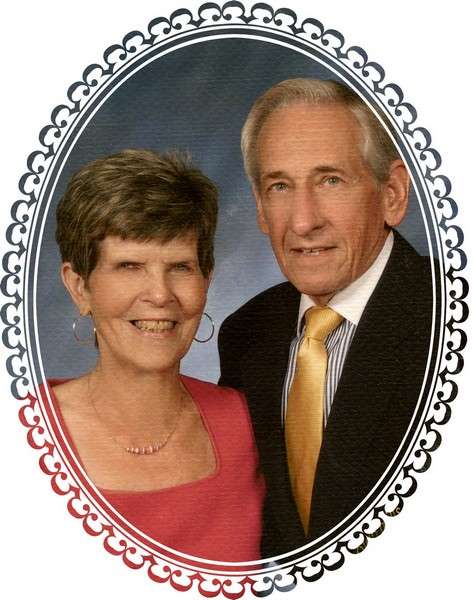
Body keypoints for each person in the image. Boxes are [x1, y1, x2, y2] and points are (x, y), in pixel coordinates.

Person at [218, 79, 437, 557]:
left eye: (330, 180)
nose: (303, 222)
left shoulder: (451, 321)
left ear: (393, 194)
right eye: (280, 186)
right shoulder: (247, 333)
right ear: (259, 207)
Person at [42, 149, 264, 561]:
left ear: (206, 281)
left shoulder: (248, 423)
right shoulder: (25, 434)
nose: (160, 295)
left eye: (180, 267)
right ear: (79, 287)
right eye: (129, 266)